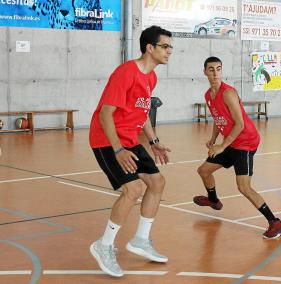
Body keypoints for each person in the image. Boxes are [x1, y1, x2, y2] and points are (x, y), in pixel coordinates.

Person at [88, 25, 173, 277]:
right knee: (133, 189)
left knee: (157, 182)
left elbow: (143, 111)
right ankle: (103, 246)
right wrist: (117, 150)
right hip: (106, 139)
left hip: (129, 138)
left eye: (171, 47)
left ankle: (141, 240)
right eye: (165, 46)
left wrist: (154, 140)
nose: (170, 51)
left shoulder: (151, 77)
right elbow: (105, 113)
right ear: (150, 48)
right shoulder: (126, 72)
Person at [193, 56, 281, 239]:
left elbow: (239, 124)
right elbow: (218, 118)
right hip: (229, 142)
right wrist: (213, 139)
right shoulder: (208, 95)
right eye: (211, 69)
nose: (215, 73)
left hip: (245, 142)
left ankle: (275, 222)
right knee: (204, 170)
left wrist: (222, 146)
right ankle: (213, 200)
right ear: (205, 72)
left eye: (218, 69)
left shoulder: (228, 93)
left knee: (243, 187)